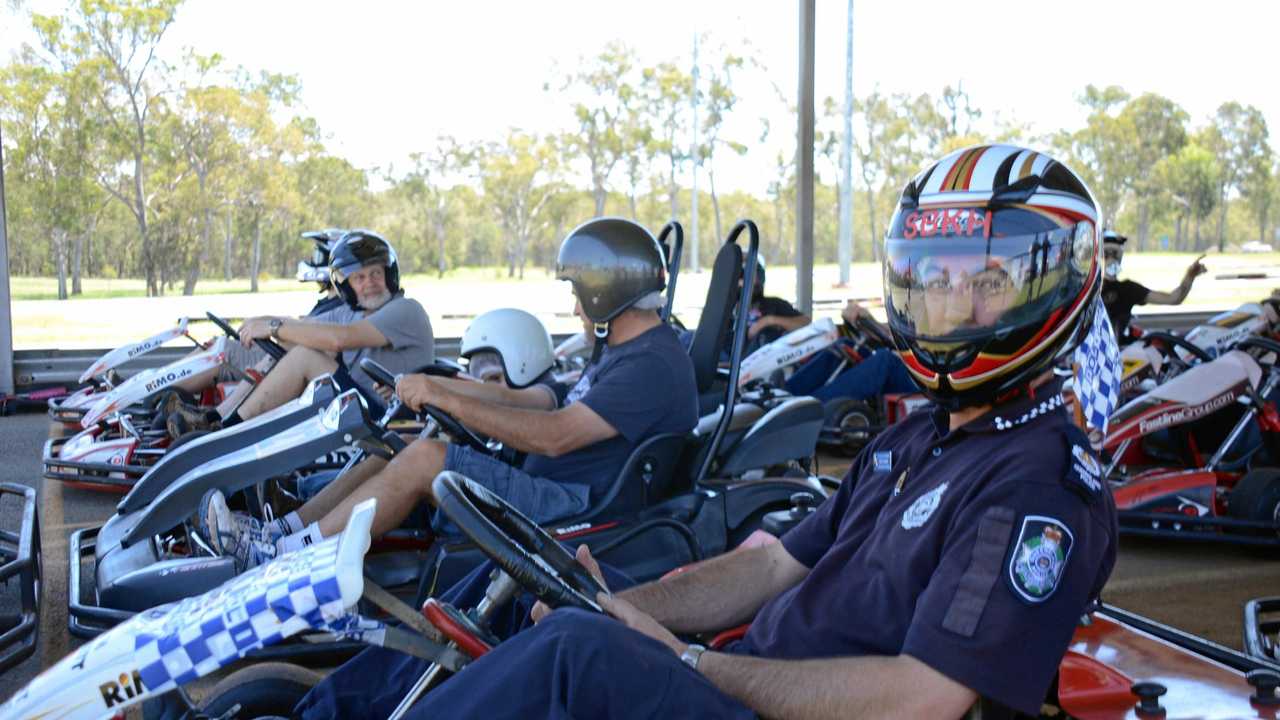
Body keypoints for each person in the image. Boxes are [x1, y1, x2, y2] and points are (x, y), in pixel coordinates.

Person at [295, 144, 1119, 719]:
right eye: (934, 283)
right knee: (535, 604)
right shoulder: (917, 441)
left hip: (763, 701)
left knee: (574, 657)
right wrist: (619, 602)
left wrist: (686, 660)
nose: (950, 308)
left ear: (1059, 284)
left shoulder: (1035, 487)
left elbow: (918, 701)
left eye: (986, 284)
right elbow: (768, 568)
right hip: (741, 676)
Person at [197, 217, 699, 572]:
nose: (574, 309)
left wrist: (458, 403)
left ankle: (287, 560)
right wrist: (451, 389)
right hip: (547, 480)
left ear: (601, 291)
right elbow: (548, 404)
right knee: (399, 441)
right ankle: (281, 534)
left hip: (573, 504)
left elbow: (556, 436)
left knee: (427, 458)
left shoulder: (649, 365)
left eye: (576, 294)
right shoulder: (625, 350)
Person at [195, 229, 435, 435]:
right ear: (347, 287)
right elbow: (306, 327)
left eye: (375, 274)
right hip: (359, 407)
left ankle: (231, 431)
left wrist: (273, 326)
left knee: (305, 358)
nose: (369, 282)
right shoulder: (351, 313)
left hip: (394, 421)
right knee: (292, 347)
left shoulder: (406, 309)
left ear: (389, 275)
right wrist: (268, 322)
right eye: (359, 278)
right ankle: (216, 420)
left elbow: (339, 340)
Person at [783, 299, 918, 403]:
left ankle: (810, 409)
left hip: (925, 382)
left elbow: (911, 342)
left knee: (884, 360)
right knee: (845, 345)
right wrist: (868, 319)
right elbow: (895, 334)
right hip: (910, 366)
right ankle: (785, 396)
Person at [1100, 230, 1207, 340]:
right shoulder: (1088, 290)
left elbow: (1174, 298)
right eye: (1106, 254)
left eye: (1114, 253)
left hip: (1117, 351)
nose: (1111, 259)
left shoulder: (1128, 289)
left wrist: (1190, 276)